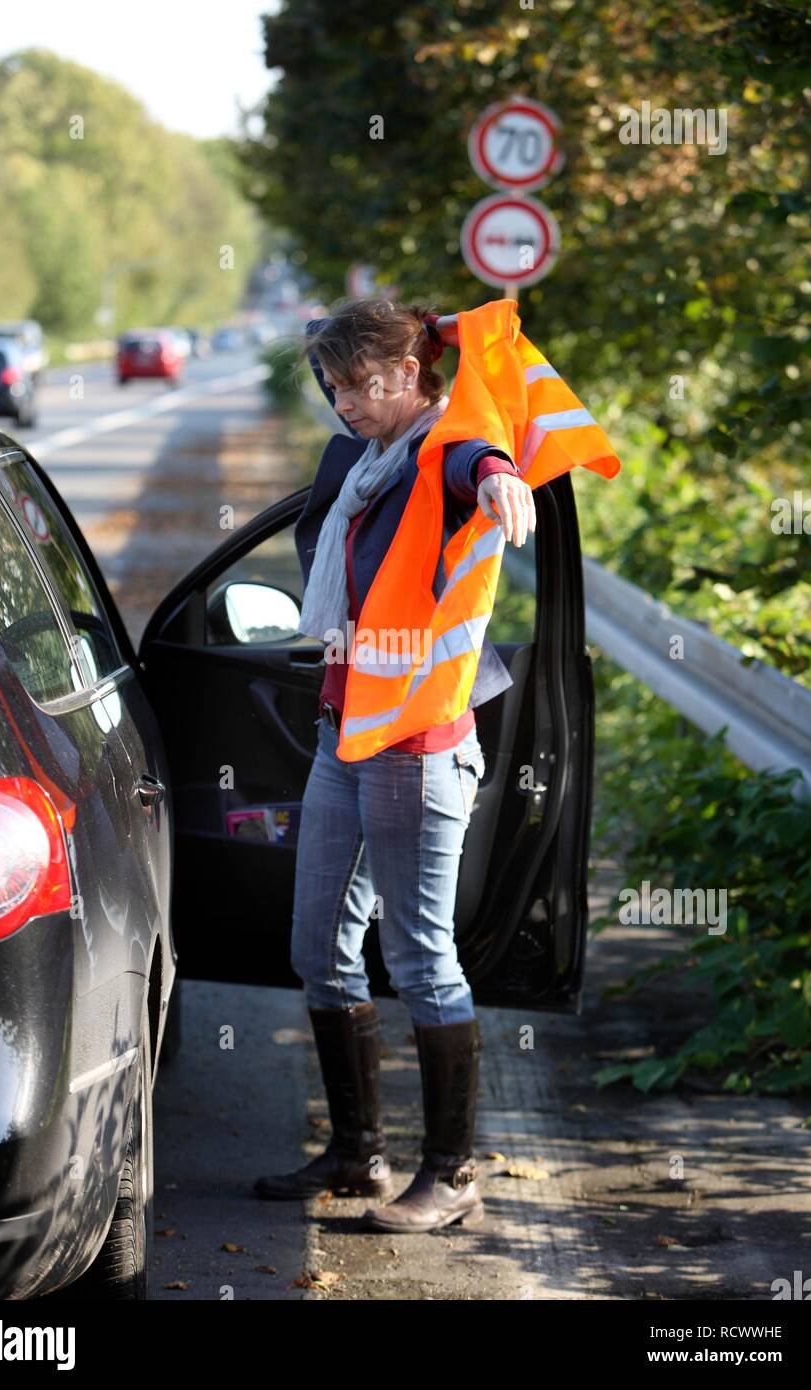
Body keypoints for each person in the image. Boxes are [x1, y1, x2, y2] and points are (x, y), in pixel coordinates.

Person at [253, 297, 535, 1232]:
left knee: (420, 957)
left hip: (415, 747)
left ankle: (451, 1175)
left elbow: (471, 457)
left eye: (355, 385)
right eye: (331, 388)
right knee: (318, 949)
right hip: (346, 735)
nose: (341, 403)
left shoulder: (441, 451)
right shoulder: (365, 461)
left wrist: (498, 475)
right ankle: (358, 1155)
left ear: (409, 375)